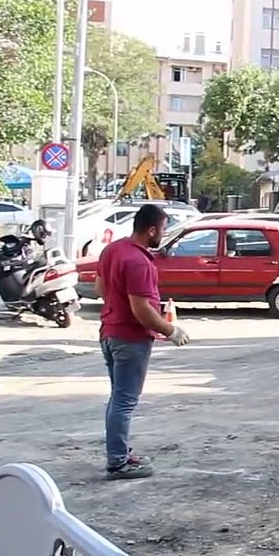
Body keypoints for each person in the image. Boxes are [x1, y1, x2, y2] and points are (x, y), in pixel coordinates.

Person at [93, 203, 190, 480]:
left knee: (118, 398)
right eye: (162, 229)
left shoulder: (112, 250)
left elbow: (101, 288)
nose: (163, 234)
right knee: (124, 401)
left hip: (109, 333)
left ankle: (119, 452)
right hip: (130, 338)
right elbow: (142, 310)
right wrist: (171, 330)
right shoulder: (138, 262)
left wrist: (119, 305)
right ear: (151, 230)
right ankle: (118, 462)